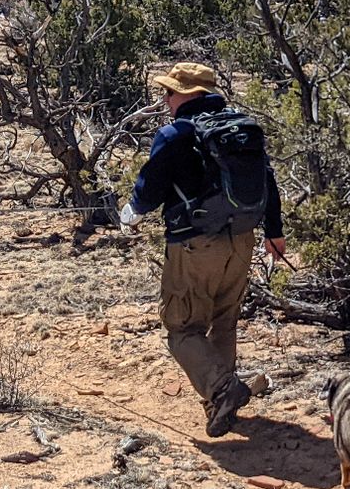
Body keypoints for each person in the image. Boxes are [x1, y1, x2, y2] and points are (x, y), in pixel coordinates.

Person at [120, 62, 284, 437]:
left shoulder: (175, 134)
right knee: (223, 321)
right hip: (241, 241)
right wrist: (274, 231)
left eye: (170, 92)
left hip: (195, 244)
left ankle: (222, 389)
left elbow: (150, 188)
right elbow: (267, 182)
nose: (166, 99)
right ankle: (220, 406)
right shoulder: (241, 129)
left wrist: (132, 213)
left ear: (189, 94)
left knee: (182, 327)